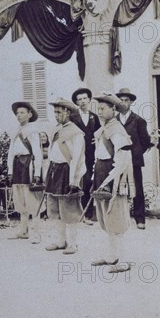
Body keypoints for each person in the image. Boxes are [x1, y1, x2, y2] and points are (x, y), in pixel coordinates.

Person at [91, 93, 135, 273]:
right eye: (98, 108)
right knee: (107, 219)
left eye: (103, 108)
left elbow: (123, 160)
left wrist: (109, 181)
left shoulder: (117, 130)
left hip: (114, 178)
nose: (100, 112)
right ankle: (112, 256)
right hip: (101, 175)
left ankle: (124, 261)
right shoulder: (103, 129)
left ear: (113, 109)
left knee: (117, 219)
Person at [43, 99, 86, 254]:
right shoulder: (55, 130)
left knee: (69, 209)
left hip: (68, 172)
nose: (56, 115)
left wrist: (74, 180)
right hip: (54, 170)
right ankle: (60, 241)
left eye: (59, 112)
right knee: (55, 209)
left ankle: (73, 244)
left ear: (68, 112)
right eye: (54, 112)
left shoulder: (76, 132)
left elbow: (78, 158)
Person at [116, 88, 153, 230]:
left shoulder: (138, 120)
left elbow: (146, 141)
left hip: (134, 160)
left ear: (131, 102)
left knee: (136, 188)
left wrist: (135, 153)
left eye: (126, 100)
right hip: (118, 159)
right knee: (118, 188)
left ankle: (140, 219)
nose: (124, 103)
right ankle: (119, 217)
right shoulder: (114, 120)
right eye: (121, 100)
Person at [7, 101, 43, 244]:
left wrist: (37, 173)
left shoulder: (33, 130)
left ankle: (36, 233)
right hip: (17, 166)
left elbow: (37, 152)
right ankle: (23, 230)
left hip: (28, 165)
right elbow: (11, 153)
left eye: (22, 113)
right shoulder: (15, 131)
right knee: (19, 198)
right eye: (17, 113)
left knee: (31, 200)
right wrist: (10, 170)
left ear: (29, 114)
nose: (19, 115)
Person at [69, 88, 101, 224]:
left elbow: (99, 132)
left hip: (90, 154)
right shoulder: (72, 117)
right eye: (79, 99)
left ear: (89, 100)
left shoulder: (94, 116)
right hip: (76, 154)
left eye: (84, 98)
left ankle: (87, 215)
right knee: (77, 182)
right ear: (76, 102)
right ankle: (76, 213)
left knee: (88, 182)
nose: (82, 101)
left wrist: (97, 139)